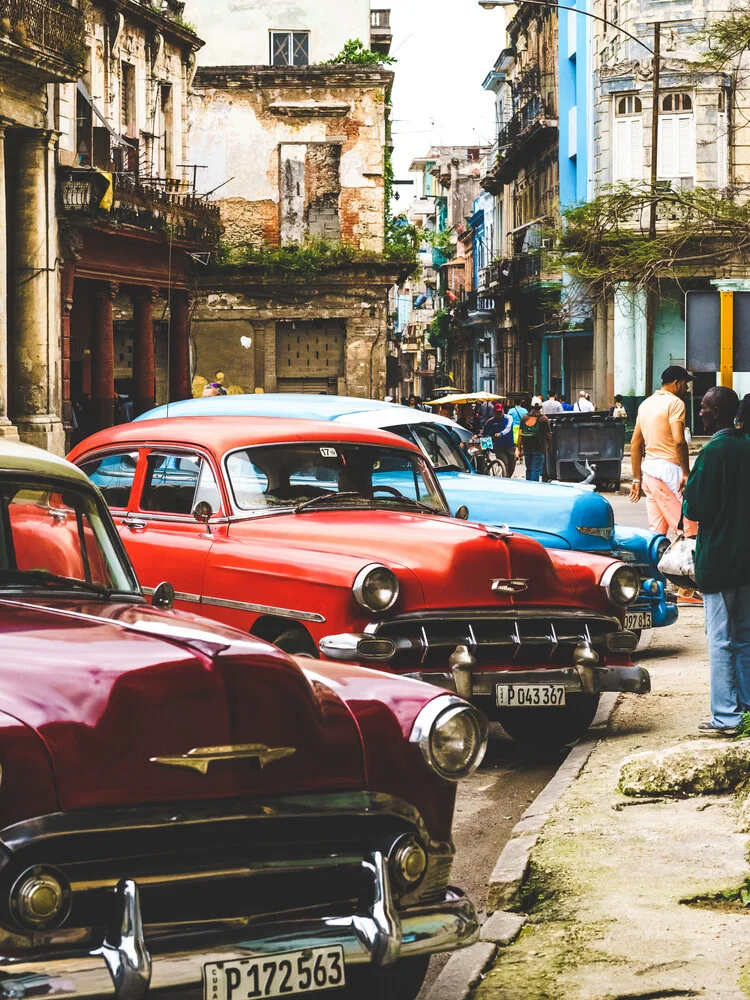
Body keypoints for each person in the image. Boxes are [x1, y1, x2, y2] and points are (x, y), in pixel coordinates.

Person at [682, 386, 750, 736]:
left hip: (720, 559)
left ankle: (726, 715)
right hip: (745, 561)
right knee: (743, 637)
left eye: (706, 408)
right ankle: (746, 708)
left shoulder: (713, 453)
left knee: (720, 639)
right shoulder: (747, 446)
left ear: (719, 413)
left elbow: (696, 508)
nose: (702, 413)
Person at [629, 365, 697, 538]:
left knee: (656, 533)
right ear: (676, 383)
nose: (686, 388)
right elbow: (679, 441)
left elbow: (635, 443)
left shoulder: (645, 404)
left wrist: (636, 478)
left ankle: (655, 564)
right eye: (685, 384)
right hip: (668, 472)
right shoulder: (675, 403)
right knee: (689, 528)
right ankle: (692, 564)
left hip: (648, 472)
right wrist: (686, 473)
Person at [517, 399, 552, 482]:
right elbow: (548, 435)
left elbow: (520, 434)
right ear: (540, 407)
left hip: (527, 448)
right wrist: (550, 447)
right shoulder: (543, 419)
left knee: (528, 469)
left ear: (531, 406)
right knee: (535, 471)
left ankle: (528, 486)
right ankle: (533, 488)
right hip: (539, 449)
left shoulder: (524, 418)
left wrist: (519, 448)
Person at [483, 403, 516, 477]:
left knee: (512, 465)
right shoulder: (490, 422)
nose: (499, 414)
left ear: (503, 411)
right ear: (494, 413)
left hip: (509, 445)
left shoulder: (509, 418)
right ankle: (505, 479)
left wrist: (500, 434)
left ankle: (508, 477)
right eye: (497, 412)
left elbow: (508, 428)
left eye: (500, 412)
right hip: (499, 447)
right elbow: (485, 433)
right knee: (504, 463)